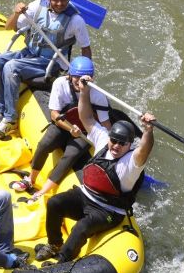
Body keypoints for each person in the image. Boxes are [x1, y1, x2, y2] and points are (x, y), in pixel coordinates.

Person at [34, 74, 156, 263]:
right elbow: (87, 117)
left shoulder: (132, 162)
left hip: (108, 210)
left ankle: (62, 263)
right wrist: (84, 91)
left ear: (129, 145)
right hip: (85, 195)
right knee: (54, 203)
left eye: (121, 143)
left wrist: (148, 130)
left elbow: (145, 149)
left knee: (81, 228)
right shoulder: (102, 140)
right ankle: (54, 244)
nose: (115, 146)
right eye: (113, 140)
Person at [0, 0, 91, 139]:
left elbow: (86, 48)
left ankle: (9, 119)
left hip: (50, 63)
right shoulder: (36, 6)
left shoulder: (76, 21)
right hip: (30, 53)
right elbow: (9, 27)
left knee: (11, 67)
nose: (60, 3)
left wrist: (85, 73)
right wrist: (16, 12)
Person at [10, 56, 111, 200]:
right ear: (70, 75)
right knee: (45, 144)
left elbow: (106, 124)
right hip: (64, 125)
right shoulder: (60, 84)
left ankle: (43, 191)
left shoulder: (98, 95)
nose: (80, 81)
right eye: (76, 77)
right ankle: (30, 179)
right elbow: (54, 114)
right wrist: (70, 129)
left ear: (91, 78)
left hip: (84, 132)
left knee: (70, 156)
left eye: (85, 78)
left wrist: (109, 144)